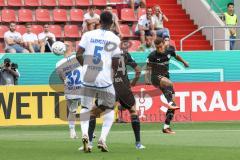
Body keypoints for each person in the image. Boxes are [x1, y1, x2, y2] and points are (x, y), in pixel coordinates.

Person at [76, 11, 121, 152]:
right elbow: (116, 61)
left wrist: (86, 67)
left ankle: (85, 136)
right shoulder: (114, 38)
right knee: (108, 108)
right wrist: (112, 75)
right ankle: (102, 139)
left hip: (88, 76)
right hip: (104, 79)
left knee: (85, 108)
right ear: (112, 23)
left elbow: (78, 54)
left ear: (99, 21)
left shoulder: (88, 35)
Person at [87, 43, 146, 150]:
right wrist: (133, 83)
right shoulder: (125, 54)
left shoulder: (104, 56)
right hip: (124, 88)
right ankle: (138, 144)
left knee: (93, 112)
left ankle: (90, 143)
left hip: (110, 88)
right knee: (133, 111)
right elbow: (138, 70)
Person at [147, 38, 189, 134]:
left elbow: (176, 56)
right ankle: (170, 102)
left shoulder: (170, 50)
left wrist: (184, 62)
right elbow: (148, 68)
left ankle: (166, 127)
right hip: (155, 77)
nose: (159, 49)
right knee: (169, 84)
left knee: (173, 105)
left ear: (163, 44)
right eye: (157, 47)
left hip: (165, 77)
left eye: (160, 47)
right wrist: (147, 79)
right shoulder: (152, 55)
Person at [55, 41, 82, 139]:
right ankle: (74, 130)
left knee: (78, 110)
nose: (65, 46)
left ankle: (79, 130)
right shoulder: (77, 58)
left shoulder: (60, 63)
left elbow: (62, 77)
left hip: (77, 87)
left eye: (66, 44)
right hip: (76, 88)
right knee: (76, 110)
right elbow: (62, 77)